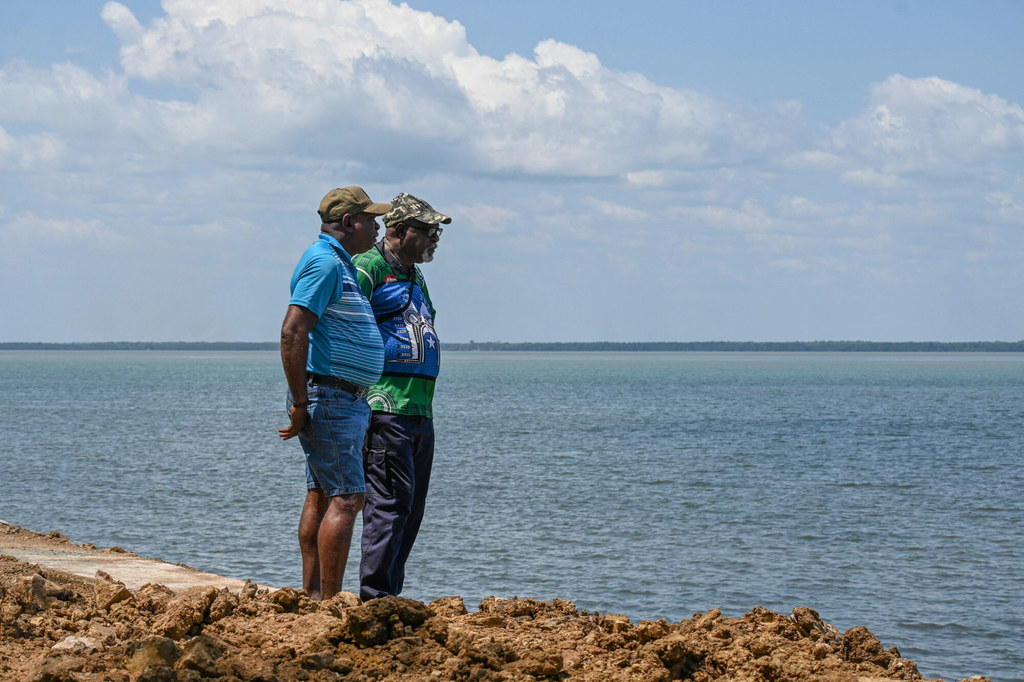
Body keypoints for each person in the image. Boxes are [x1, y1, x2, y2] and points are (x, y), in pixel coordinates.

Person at [278, 186, 391, 601]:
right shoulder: (326, 264)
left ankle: (312, 596)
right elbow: (293, 330)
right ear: (349, 222)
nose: (377, 228)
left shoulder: (337, 263)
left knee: (323, 492)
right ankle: (327, 603)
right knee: (348, 498)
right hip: (330, 396)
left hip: (338, 396)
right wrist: (302, 404)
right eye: (371, 220)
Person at [353, 192, 451, 601]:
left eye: (437, 232)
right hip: (385, 405)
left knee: (410, 510)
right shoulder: (367, 267)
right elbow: (339, 324)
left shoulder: (415, 274)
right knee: (389, 506)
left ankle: (390, 595)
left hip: (418, 408)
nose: (434, 238)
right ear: (397, 230)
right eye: (427, 230)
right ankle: (375, 599)